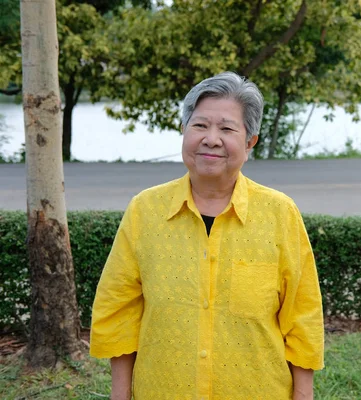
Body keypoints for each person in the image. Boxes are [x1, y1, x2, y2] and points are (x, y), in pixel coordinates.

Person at [90, 72, 324, 400]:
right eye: (199, 125)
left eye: (227, 129)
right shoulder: (145, 210)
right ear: (184, 131)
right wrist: (120, 394)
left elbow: (302, 317)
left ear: (249, 142)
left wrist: (303, 395)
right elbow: (119, 309)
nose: (211, 139)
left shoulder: (280, 214)